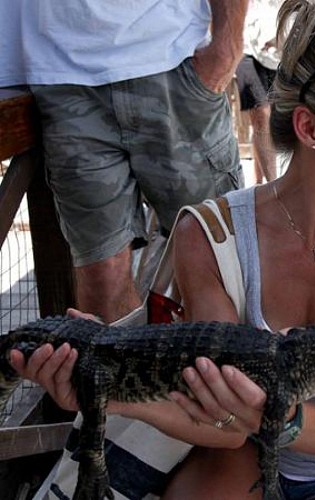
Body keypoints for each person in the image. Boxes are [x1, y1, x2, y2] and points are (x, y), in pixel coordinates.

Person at [11, 0, 315, 498]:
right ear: (309, 128)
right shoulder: (211, 234)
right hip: (236, 449)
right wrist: (102, 389)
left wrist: (279, 413)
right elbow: (224, 425)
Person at [0, 0, 248, 323]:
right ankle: (132, 374)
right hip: (61, 74)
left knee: (221, 261)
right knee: (102, 280)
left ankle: (232, 372)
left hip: (171, 55)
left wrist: (228, 44)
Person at [236, 0, 282, 184]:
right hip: (245, 48)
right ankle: (273, 187)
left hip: (279, 50)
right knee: (261, 116)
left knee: (269, 123)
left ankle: (258, 183)